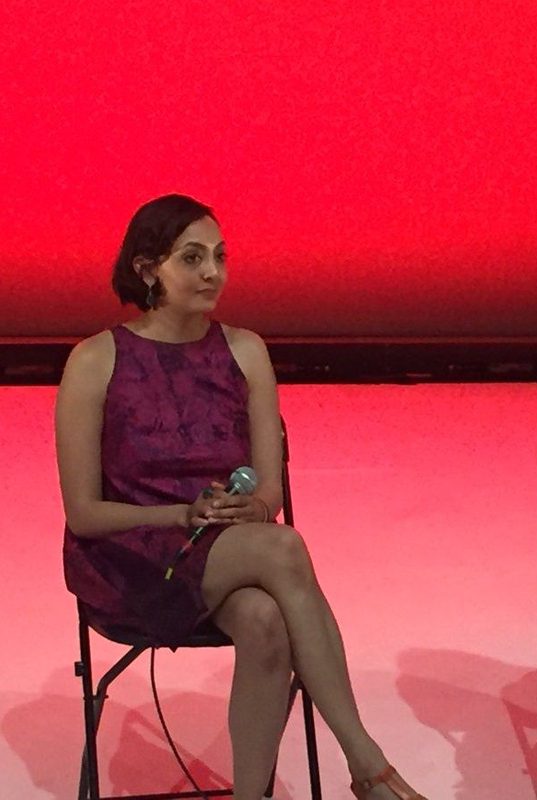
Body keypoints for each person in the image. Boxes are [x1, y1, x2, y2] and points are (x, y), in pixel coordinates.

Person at [56, 194, 428, 800]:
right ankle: (368, 765)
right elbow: (84, 513)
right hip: (131, 559)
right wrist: (181, 512)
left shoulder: (245, 349)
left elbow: (269, 492)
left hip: (224, 547)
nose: (213, 273)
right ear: (149, 269)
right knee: (282, 552)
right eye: (193, 258)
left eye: (221, 257)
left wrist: (247, 508)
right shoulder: (96, 359)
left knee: (264, 620)